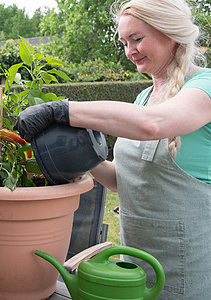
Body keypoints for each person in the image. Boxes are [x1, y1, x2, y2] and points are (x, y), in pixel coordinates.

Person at [14, 0, 211, 298]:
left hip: (187, 269)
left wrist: (62, 110)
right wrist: (81, 156)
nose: (130, 51)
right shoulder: (143, 97)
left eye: (137, 39)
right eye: (124, 42)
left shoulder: (204, 86)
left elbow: (153, 125)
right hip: (134, 264)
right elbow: (124, 180)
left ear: (170, 33)